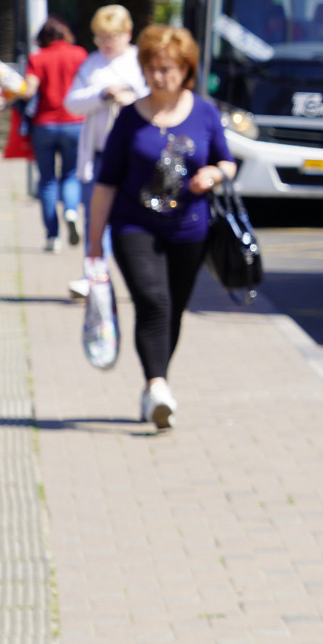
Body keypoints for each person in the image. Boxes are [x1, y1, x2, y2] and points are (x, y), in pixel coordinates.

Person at [86, 25, 236, 430]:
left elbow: (227, 158)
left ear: (185, 69)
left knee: (173, 310)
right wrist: (93, 242)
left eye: (167, 68)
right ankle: (157, 385)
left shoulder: (204, 112)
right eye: (151, 68)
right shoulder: (130, 120)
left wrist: (214, 175)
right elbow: (105, 182)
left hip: (190, 229)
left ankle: (156, 385)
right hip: (134, 225)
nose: (158, 76)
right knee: (154, 302)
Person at [63, 5, 149, 287]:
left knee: (135, 216)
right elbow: (72, 101)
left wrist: (131, 97)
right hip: (100, 154)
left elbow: (155, 99)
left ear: (127, 33)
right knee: (95, 216)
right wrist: (102, 94)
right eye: (100, 38)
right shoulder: (92, 62)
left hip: (134, 154)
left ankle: (138, 275)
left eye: (110, 37)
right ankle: (94, 276)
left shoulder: (141, 61)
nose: (105, 44)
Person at [22, 18, 88, 251]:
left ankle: (53, 237)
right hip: (76, 123)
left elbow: (28, 90)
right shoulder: (80, 55)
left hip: (45, 125)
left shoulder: (37, 58)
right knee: (71, 174)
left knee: (48, 180)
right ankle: (71, 210)